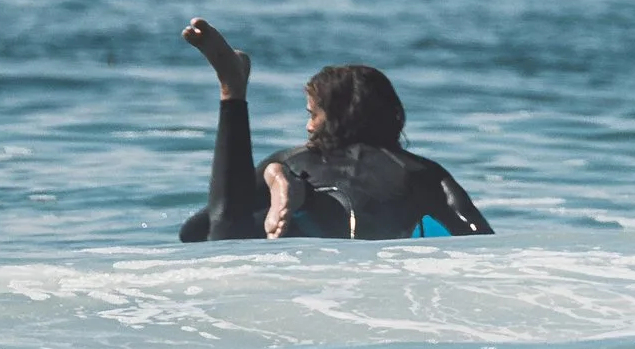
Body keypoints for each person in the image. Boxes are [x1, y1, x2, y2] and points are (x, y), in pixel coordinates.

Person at [176, 19, 492, 242]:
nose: (308, 126)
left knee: (227, 235)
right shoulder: (421, 172)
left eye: (313, 115)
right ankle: (306, 201)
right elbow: (480, 238)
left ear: (333, 118)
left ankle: (233, 92)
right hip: (355, 257)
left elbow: (194, 231)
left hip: (295, 234)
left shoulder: (294, 159)